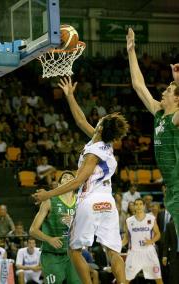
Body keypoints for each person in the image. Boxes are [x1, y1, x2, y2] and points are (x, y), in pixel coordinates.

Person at [33, 76, 129, 284]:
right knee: (112, 251)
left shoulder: (92, 154)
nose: (97, 120)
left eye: (100, 121)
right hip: (108, 202)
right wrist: (70, 96)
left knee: (74, 250)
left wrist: (47, 194)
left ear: (101, 129)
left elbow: (77, 183)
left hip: (90, 201)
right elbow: (80, 120)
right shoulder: (105, 144)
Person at [127, 28, 179, 236]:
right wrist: (131, 51)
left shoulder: (176, 118)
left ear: (177, 99)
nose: (163, 92)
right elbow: (138, 86)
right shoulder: (159, 113)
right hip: (172, 186)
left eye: (168, 90)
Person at [30, 171, 81, 284]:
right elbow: (33, 230)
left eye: (71, 177)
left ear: (75, 183)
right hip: (51, 254)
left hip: (73, 253)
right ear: (58, 185)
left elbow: (88, 228)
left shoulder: (80, 202)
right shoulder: (49, 201)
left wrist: (74, 222)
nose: (68, 178)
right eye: (64, 177)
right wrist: (49, 239)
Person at [122, 198, 163, 284]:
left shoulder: (151, 219)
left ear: (144, 206)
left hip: (149, 252)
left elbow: (158, 234)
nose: (139, 206)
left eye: (141, 204)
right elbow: (126, 238)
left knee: (158, 279)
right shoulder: (129, 221)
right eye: (136, 204)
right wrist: (118, 246)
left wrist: (151, 241)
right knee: (126, 280)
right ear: (134, 207)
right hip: (134, 253)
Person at [162, 219, 179, 284]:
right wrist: (164, 255)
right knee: (174, 278)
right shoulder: (170, 225)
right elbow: (166, 242)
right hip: (174, 255)